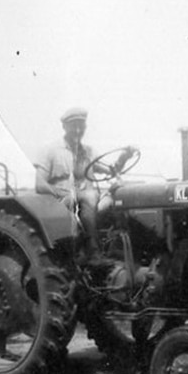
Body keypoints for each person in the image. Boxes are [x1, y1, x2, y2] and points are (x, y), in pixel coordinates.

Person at [34, 107, 130, 265]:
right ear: (64, 127)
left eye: (81, 126)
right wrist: (59, 191)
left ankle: (118, 246)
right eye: (74, 126)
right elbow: (39, 184)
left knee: (118, 194)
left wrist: (124, 157)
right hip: (62, 202)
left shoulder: (88, 152)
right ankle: (93, 251)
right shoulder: (51, 151)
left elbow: (112, 171)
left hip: (87, 203)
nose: (78, 130)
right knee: (89, 195)